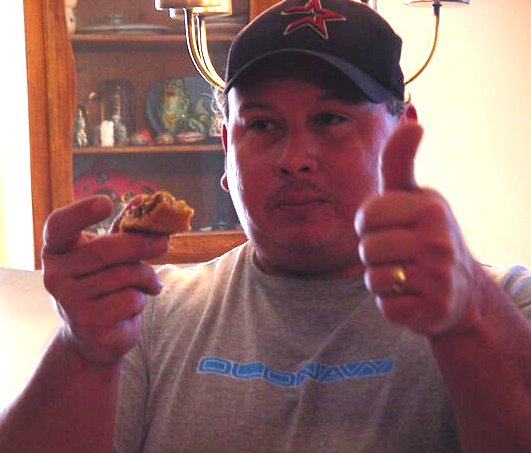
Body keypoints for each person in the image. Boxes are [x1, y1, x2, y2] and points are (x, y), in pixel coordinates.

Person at [1, 0, 531, 451]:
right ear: (226, 149)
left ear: (402, 131)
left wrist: (469, 323)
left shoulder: (510, 302)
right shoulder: (148, 316)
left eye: (331, 119)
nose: (295, 159)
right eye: (262, 125)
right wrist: (82, 350)